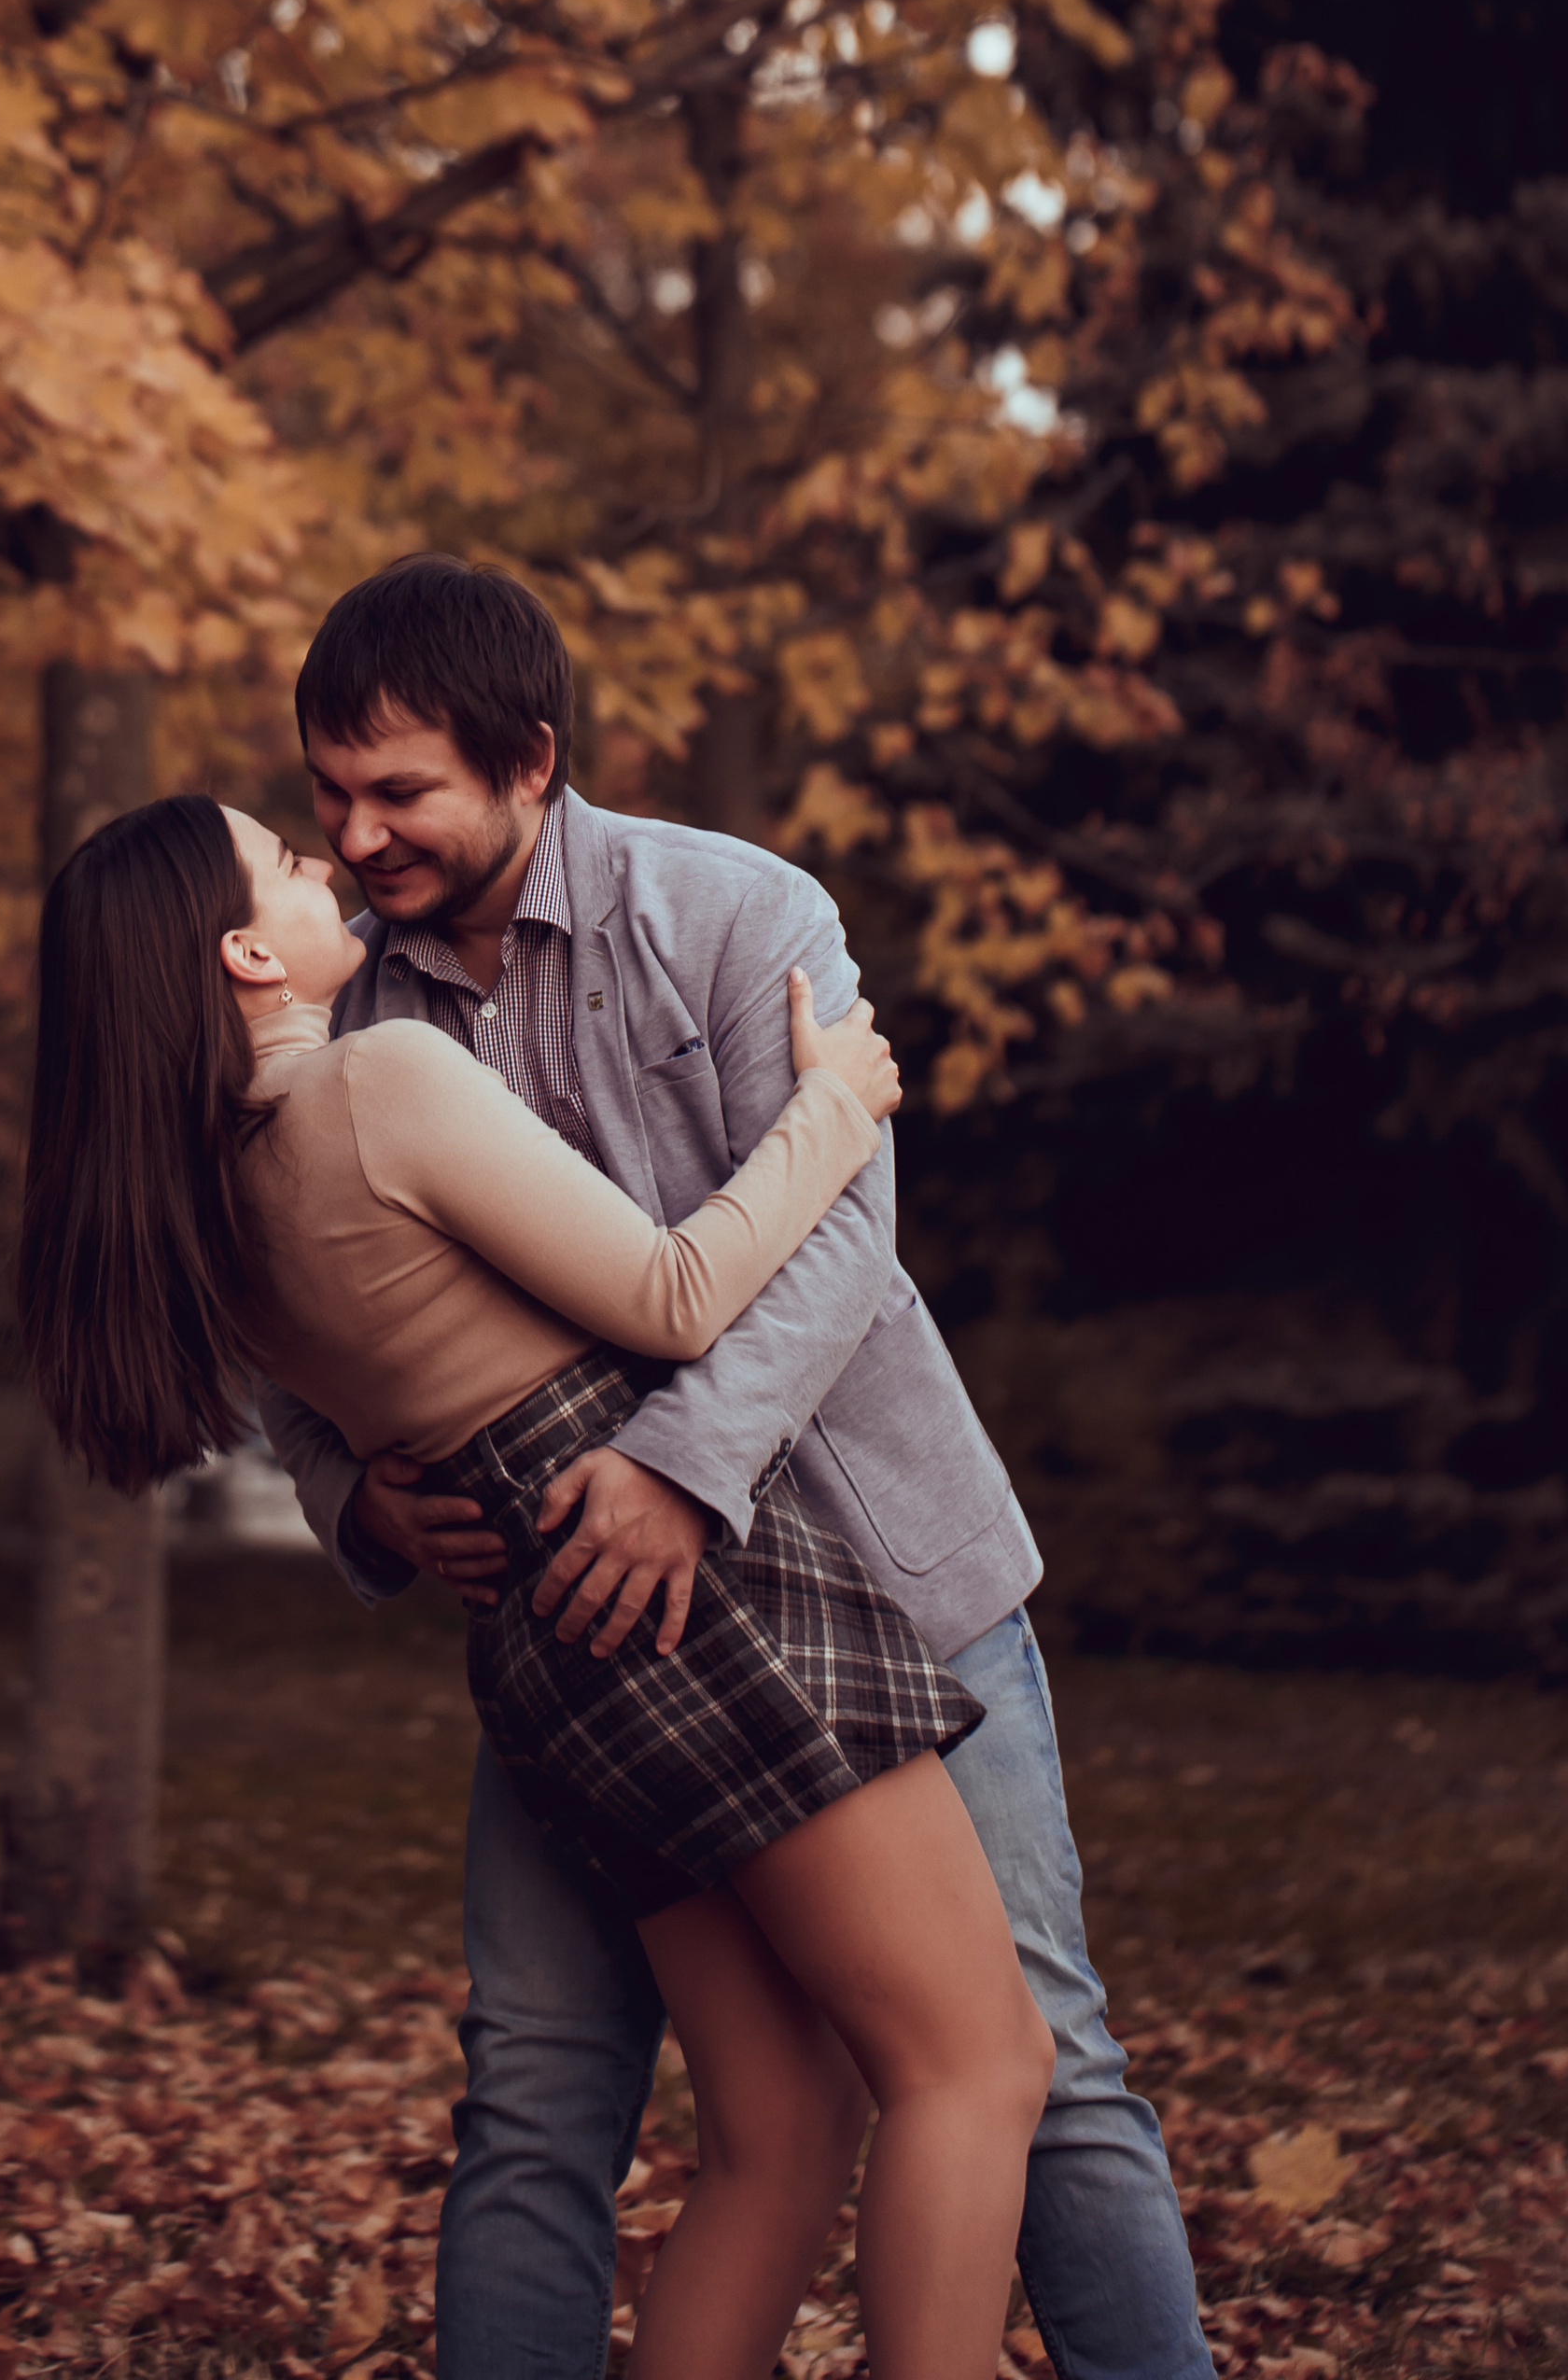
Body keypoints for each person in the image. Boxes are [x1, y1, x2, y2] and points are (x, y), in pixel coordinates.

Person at [259, 557, 1216, 2380]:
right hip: (593, 1641)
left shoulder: (726, 910)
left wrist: (680, 1469)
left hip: (882, 1578)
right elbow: (296, 1331)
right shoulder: (348, 1026)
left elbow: (836, 1241)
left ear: (528, 762)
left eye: (399, 794)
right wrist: (355, 1501)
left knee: (1040, 2063)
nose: (357, 836)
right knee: (541, 2081)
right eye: (327, 799)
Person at [18, 790, 1056, 2380]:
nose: (332, 864)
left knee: (780, 2137)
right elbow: (675, 1292)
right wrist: (838, 1103)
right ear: (243, 952)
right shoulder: (378, 1082)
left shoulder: (212, 1206)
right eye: (291, 863)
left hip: (550, 1641)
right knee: (978, 2066)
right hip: (689, 1588)